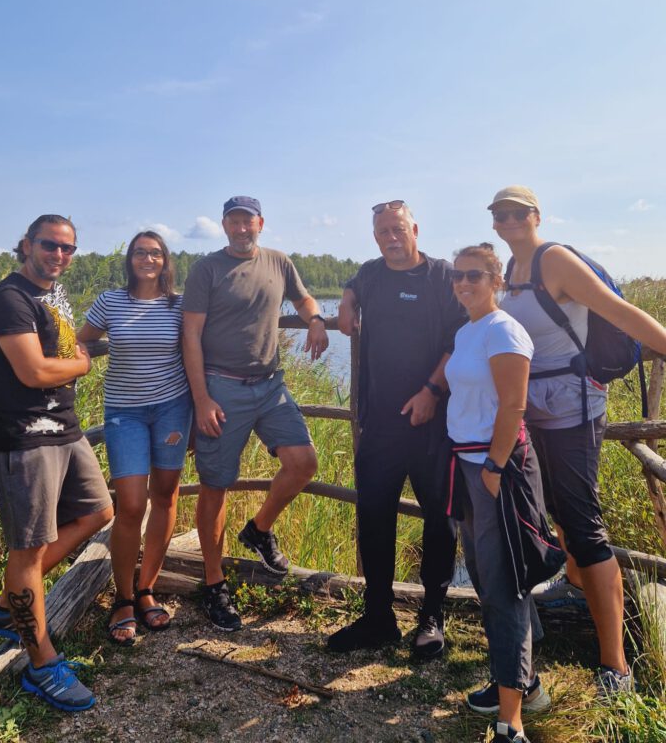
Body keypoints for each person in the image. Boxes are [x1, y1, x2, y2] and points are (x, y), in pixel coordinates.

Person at [490, 185, 666, 695]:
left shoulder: (555, 261)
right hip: (531, 410)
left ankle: (617, 668)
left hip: (572, 409)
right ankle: (571, 589)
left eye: (518, 212)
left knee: (585, 526)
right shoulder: (511, 269)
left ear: (536, 216)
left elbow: (618, 312)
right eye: (501, 214)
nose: (509, 220)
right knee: (554, 514)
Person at [0, 214, 114, 712]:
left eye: (68, 248)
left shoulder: (52, 297)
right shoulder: (7, 300)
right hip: (23, 438)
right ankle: (40, 665)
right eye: (50, 245)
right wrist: (79, 365)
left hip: (64, 429)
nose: (59, 255)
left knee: (99, 514)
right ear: (27, 245)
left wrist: (71, 361)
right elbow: (34, 371)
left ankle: (4, 606)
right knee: (28, 553)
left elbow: (63, 348)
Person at [182, 196, 328, 632]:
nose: (242, 228)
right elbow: (190, 334)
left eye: (249, 220)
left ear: (260, 223)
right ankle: (214, 583)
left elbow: (302, 300)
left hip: (270, 384)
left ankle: (259, 530)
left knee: (304, 463)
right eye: (234, 221)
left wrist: (318, 319)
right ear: (224, 225)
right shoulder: (207, 268)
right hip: (221, 386)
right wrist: (202, 398)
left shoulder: (279, 261)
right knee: (215, 486)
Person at [327, 200, 464, 657]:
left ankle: (432, 614)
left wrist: (431, 390)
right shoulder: (369, 274)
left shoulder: (443, 276)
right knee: (374, 517)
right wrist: (347, 300)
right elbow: (353, 286)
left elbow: (458, 338)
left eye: (398, 228)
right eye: (383, 230)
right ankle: (378, 616)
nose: (391, 236)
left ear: (415, 230)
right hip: (380, 422)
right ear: (375, 236)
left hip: (433, 424)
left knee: (439, 521)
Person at [445, 244, 554, 743]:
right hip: (468, 466)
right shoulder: (466, 330)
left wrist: (493, 466)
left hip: (498, 468)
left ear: (496, 281)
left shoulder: (504, 329)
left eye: (474, 275)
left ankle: (512, 719)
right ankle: (521, 681)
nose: (463, 283)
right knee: (489, 578)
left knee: (505, 582)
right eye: (457, 275)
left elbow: (514, 406)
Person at [77, 231, 192, 645]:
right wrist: (79, 360)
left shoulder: (179, 305)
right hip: (124, 413)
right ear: (130, 259)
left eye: (156, 252)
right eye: (141, 252)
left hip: (173, 410)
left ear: (166, 261)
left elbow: (196, 352)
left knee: (165, 496)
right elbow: (80, 338)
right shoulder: (111, 301)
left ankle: (146, 589)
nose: (148, 258)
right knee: (129, 504)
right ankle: (122, 597)